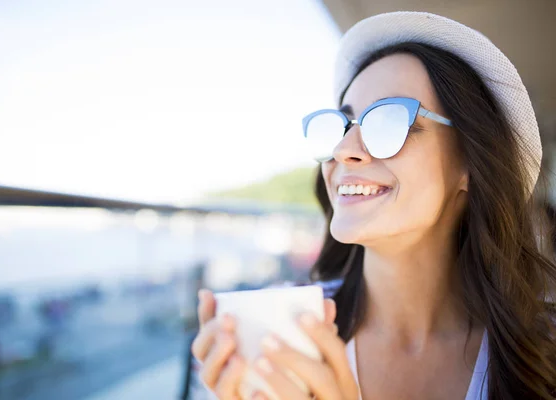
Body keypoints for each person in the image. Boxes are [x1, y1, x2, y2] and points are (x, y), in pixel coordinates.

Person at [191, 11, 556, 400]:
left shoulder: (541, 353)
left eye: (387, 123)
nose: (343, 150)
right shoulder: (278, 335)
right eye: (343, 125)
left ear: (469, 161)